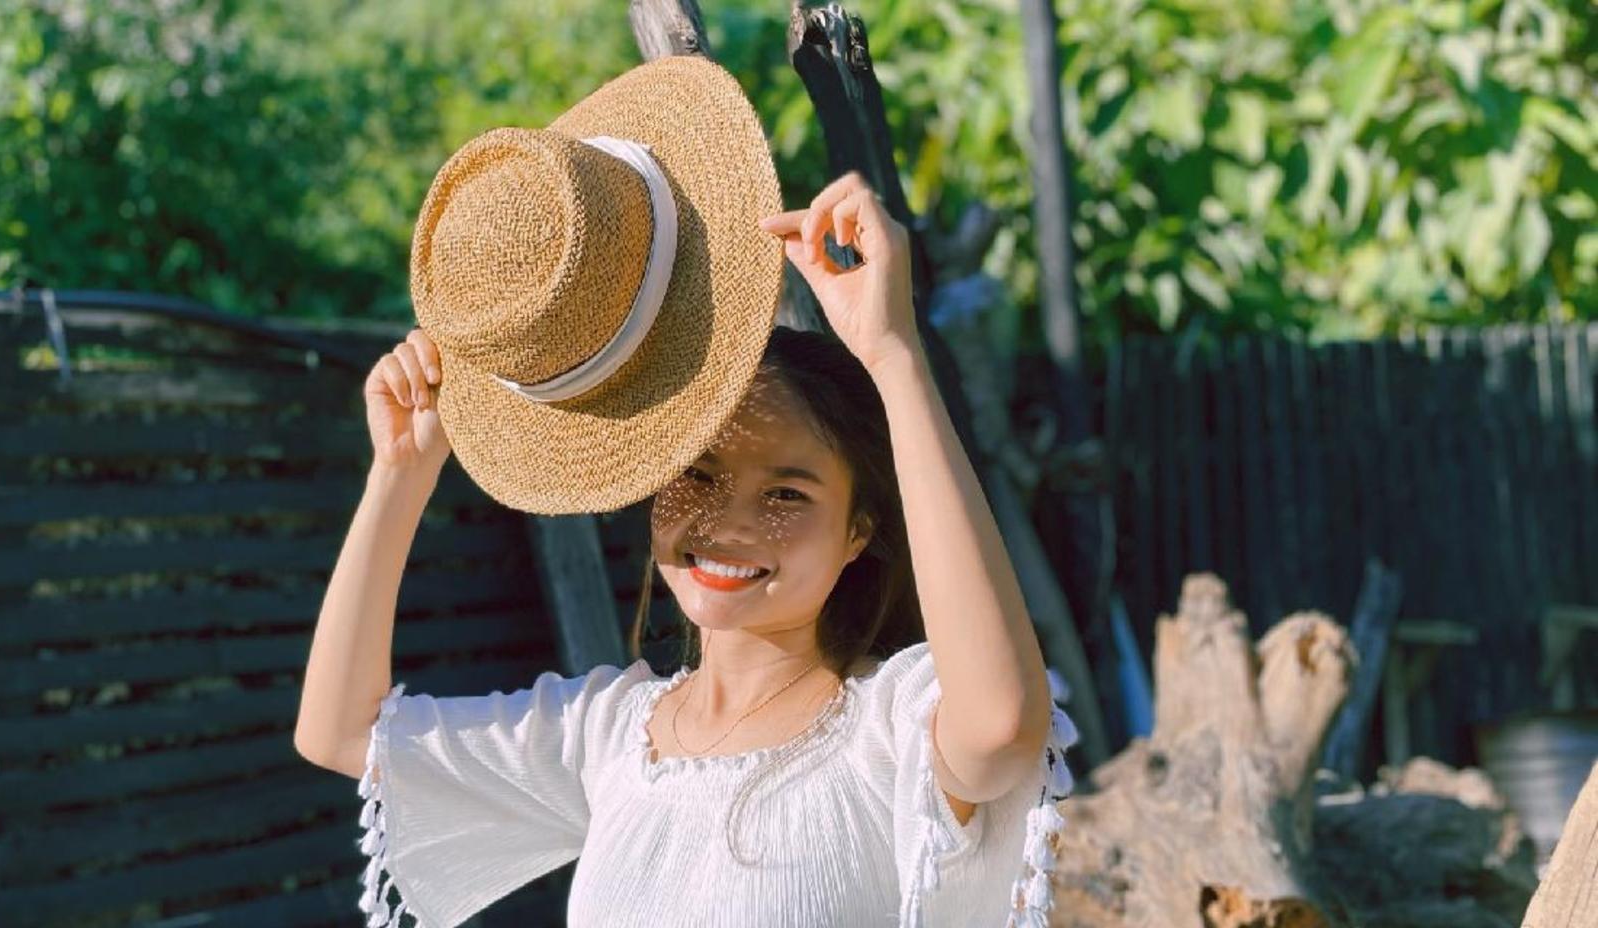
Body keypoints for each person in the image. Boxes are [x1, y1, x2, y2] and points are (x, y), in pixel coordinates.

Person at [294, 56, 1074, 928]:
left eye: (787, 495)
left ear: (860, 528)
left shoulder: (891, 730)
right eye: (697, 476)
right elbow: (340, 735)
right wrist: (399, 477)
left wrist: (892, 355)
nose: (730, 525)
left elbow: (1004, 726)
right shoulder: (605, 736)